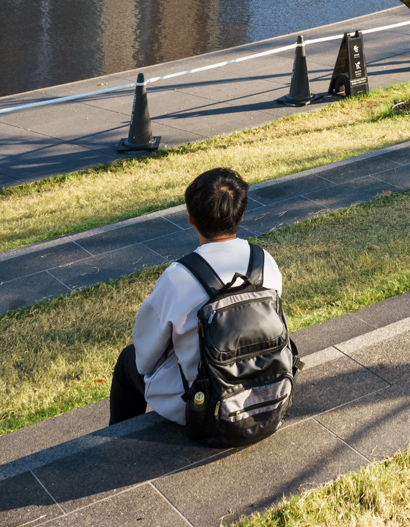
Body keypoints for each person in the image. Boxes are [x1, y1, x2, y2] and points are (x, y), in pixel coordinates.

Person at [109, 167, 281, 426]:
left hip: (204, 406)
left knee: (128, 361)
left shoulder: (179, 277)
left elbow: (145, 357)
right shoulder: (264, 261)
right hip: (268, 391)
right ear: (242, 213)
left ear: (190, 217)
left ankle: (117, 445)